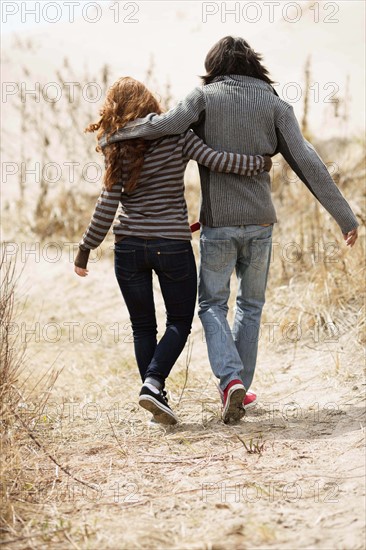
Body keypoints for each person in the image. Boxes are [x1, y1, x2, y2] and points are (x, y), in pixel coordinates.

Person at [98, 37, 359, 424]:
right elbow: (307, 160)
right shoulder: (274, 103)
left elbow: (165, 125)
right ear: (254, 64)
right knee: (250, 307)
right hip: (260, 223)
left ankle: (230, 379)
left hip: (218, 224)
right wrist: (345, 216)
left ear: (214, 66)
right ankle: (237, 387)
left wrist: (115, 135)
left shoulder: (205, 96)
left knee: (212, 306)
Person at [74, 76, 272, 425]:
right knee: (179, 322)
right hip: (172, 246)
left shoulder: (114, 143)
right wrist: (257, 164)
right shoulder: (177, 136)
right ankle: (153, 384)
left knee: (141, 327)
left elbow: (108, 202)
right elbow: (216, 160)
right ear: (150, 103)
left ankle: (154, 394)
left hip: (129, 248)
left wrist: (86, 248)